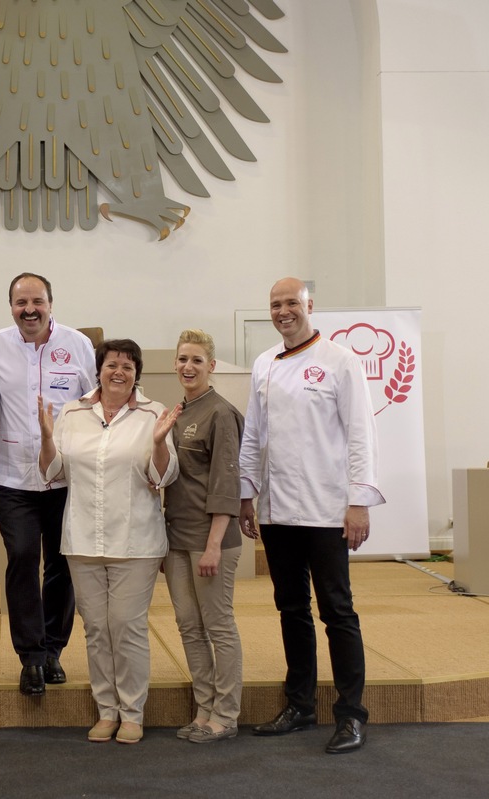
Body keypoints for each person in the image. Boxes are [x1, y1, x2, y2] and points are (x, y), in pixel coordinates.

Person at [238, 277, 385, 755]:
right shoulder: (263, 364)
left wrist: (358, 500)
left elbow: (362, 434)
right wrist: (246, 494)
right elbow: (253, 439)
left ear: (309, 306)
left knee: (337, 612)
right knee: (291, 610)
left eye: (291, 303)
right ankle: (300, 705)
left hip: (326, 511)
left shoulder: (341, 361)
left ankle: (351, 715)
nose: (283, 311)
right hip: (278, 512)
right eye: (276, 304)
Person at [39, 339, 180, 744]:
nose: (119, 372)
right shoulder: (72, 412)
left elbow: (162, 477)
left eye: (128, 366)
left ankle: (132, 712)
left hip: (135, 541)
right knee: (97, 629)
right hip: (82, 539)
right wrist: (48, 437)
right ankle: (107, 711)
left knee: (127, 627)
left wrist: (156, 442)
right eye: (111, 364)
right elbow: (53, 473)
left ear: (138, 373)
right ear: (98, 369)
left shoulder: (154, 413)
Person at [0, 272, 96, 695]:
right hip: (14, 478)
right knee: (23, 560)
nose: (29, 309)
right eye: (20, 302)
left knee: (62, 565)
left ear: (51, 303)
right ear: (11, 306)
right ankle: (29, 656)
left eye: (37, 301)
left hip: (66, 479)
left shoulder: (78, 344)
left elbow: (95, 401)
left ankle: (53, 650)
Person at [162, 329, 245, 744]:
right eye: (182, 359)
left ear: (211, 366)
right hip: (176, 539)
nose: (188, 367)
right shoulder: (179, 411)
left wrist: (213, 544)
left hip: (210, 541)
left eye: (196, 360)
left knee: (218, 626)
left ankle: (227, 714)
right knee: (188, 627)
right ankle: (204, 707)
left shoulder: (220, 413)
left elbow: (225, 484)